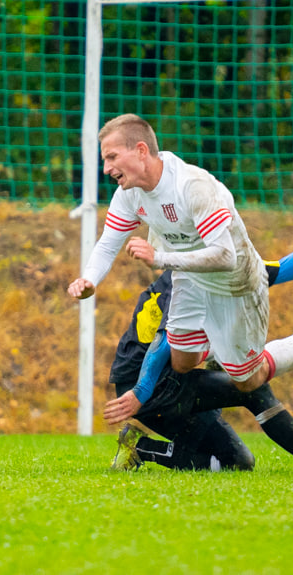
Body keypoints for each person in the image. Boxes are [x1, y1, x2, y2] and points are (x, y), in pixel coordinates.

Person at [106, 204, 293, 473]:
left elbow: (282, 268)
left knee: (237, 461)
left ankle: (139, 447)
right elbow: (163, 342)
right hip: (147, 385)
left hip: (174, 380)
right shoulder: (189, 277)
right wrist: (140, 393)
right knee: (252, 386)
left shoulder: (226, 263)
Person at [68, 114, 275, 394]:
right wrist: (90, 279)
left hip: (235, 284)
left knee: (248, 380)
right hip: (190, 277)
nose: (106, 169)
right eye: (105, 160)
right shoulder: (129, 193)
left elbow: (227, 257)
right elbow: (107, 243)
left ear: (141, 150)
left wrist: (160, 259)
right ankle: (227, 351)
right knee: (181, 362)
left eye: (112, 157)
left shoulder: (191, 185)